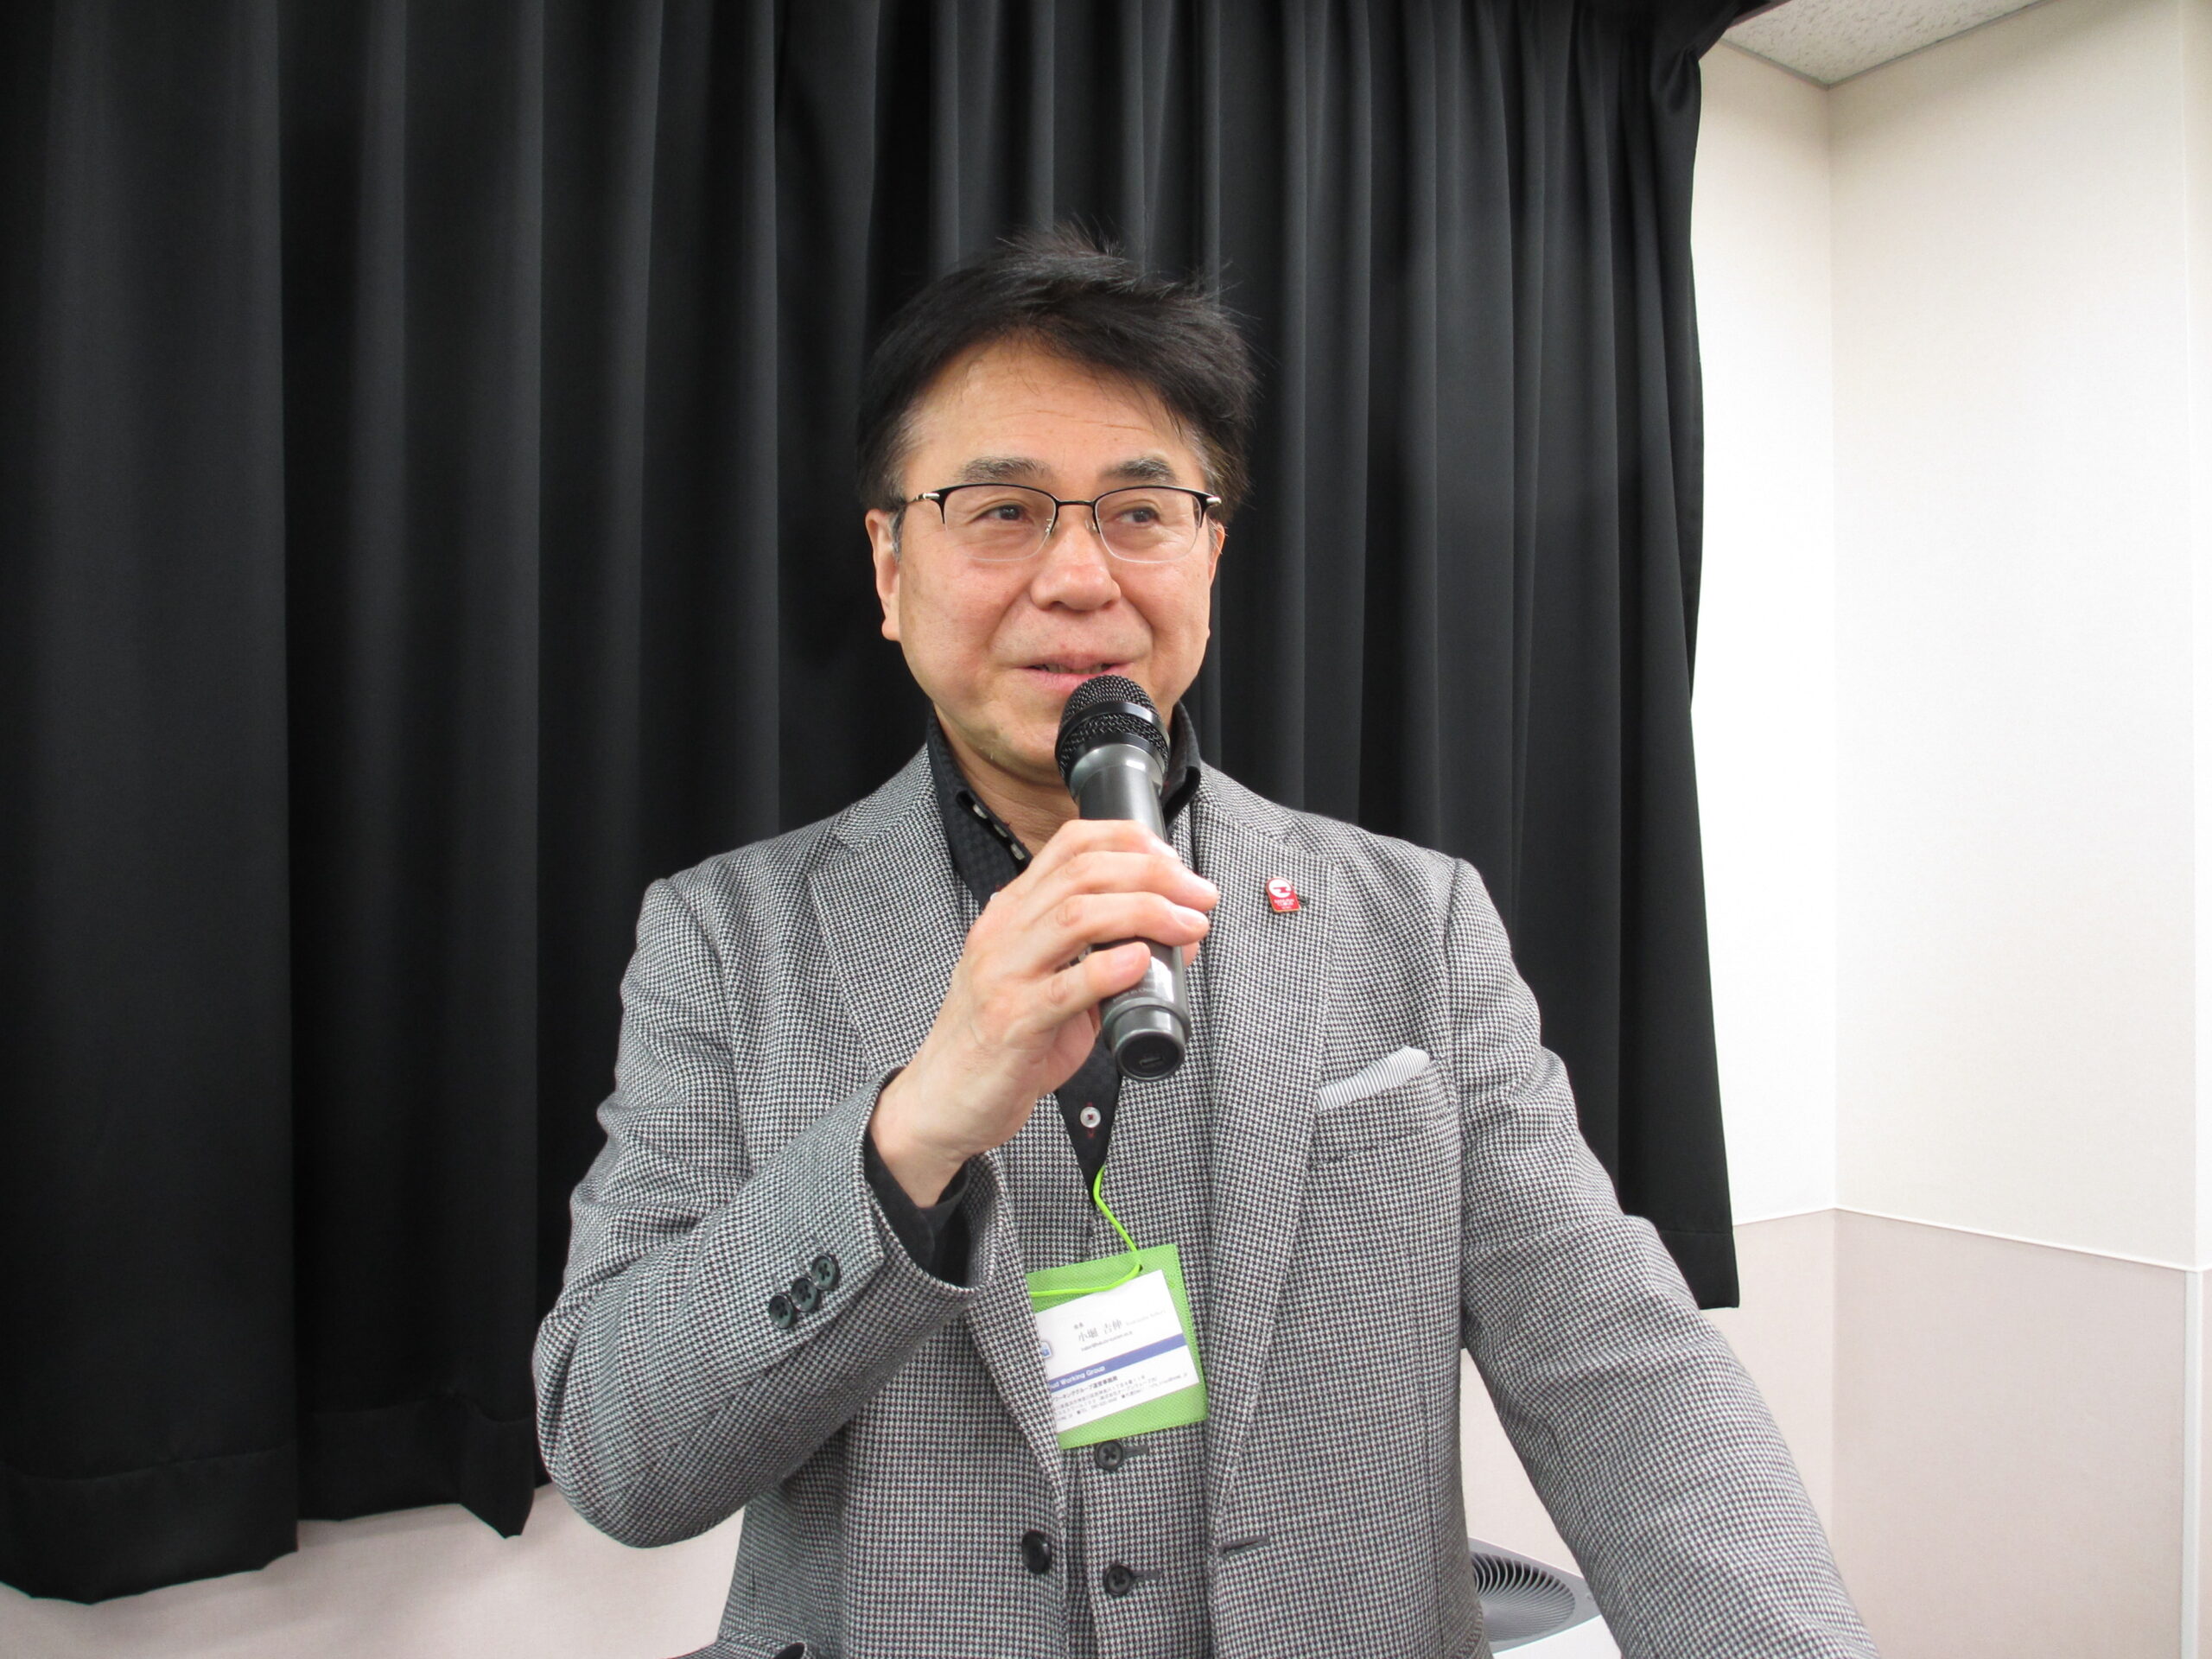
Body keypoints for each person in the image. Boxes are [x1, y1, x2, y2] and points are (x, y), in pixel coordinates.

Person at [533, 228, 1877, 1659]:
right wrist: (911, 1132)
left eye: (1140, 511)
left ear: (1209, 555)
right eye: (1001, 510)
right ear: (888, 565)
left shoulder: (1413, 924)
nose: (1078, 576)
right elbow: (621, 1453)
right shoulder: (726, 941)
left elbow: (1619, 1372)